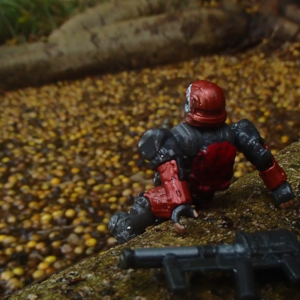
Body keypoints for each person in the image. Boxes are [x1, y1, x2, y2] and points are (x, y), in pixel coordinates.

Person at [109, 80, 297, 244]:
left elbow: (170, 172)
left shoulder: (182, 137)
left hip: (191, 194)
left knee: (143, 205)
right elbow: (262, 158)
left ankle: (125, 226)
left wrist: (179, 204)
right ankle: (132, 226)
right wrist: (280, 188)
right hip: (199, 194)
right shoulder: (232, 133)